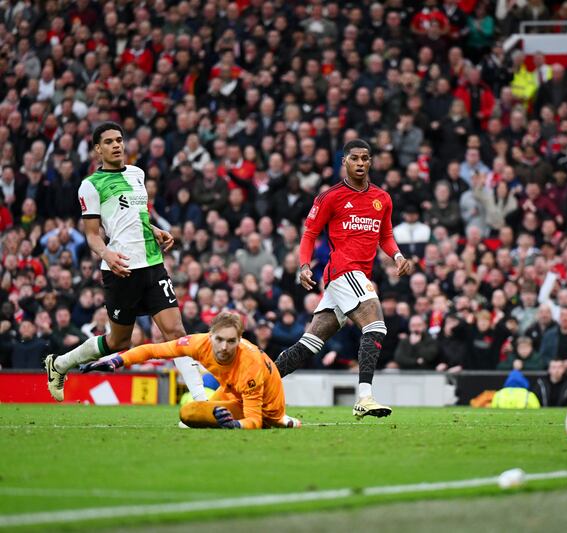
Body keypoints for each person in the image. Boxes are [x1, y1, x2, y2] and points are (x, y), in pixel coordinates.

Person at [44, 122, 206, 404]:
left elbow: (137, 216)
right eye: (108, 142)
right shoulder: (90, 186)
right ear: (97, 149)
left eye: (119, 140)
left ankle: (202, 402)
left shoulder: (137, 174)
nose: (116, 145)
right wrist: (106, 255)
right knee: (118, 342)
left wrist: (155, 230)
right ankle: (59, 365)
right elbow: (93, 235)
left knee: (176, 332)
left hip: (153, 263)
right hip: (121, 268)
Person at [274, 139, 413, 419]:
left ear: (371, 162)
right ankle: (364, 397)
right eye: (354, 158)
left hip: (356, 276)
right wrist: (303, 266)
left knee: (309, 344)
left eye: (365, 158)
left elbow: (384, 235)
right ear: (344, 162)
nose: (360, 163)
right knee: (376, 324)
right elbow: (309, 233)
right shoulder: (331, 197)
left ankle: (258, 382)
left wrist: (397, 256)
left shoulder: (382, 199)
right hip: (343, 271)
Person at [83, 313, 300, 429]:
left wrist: (235, 425)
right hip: (233, 391)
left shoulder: (249, 364)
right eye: (220, 340)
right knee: (189, 418)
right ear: (210, 336)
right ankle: (280, 420)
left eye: (231, 341)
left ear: (240, 340)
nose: (224, 347)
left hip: (266, 407)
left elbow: (254, 420)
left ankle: (282, 420)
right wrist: (117, 361)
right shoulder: (198, 343)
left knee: (189, 414)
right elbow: (154, 350)